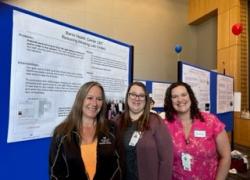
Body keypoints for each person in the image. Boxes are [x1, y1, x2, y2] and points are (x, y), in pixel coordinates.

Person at [49, 81, 121, 180]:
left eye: (99, 99)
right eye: (90, 98)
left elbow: (118, 167)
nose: (94, 103)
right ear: (80, 100)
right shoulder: (62, 133)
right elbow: (55, 173)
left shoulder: (111, 129)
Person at [163, 81, 231, 180]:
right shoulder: (165, 125)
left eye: (183, 94)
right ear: (170, 101)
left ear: (190, 96)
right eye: (175, 97)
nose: (180, 99)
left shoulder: (211, 121)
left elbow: (226, 156)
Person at [115, 81, 173, 180]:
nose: (137, 98)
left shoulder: (156, 122)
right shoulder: (117, 121)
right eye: (133, 94)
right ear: (127, 97)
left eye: (141, 95)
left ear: (146, 100)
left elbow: (166, 160)